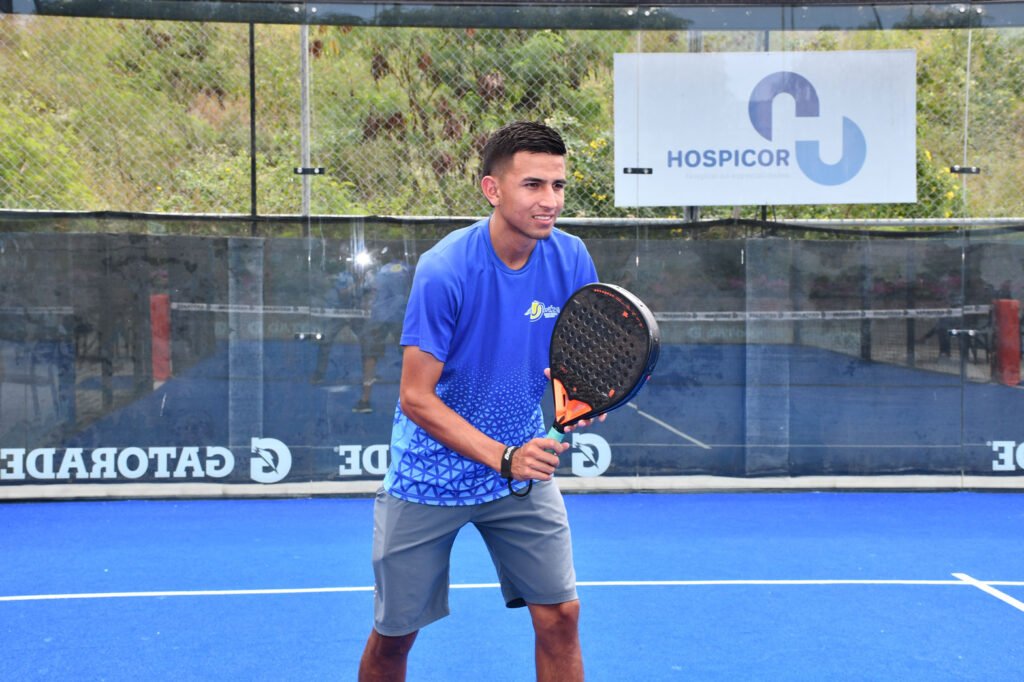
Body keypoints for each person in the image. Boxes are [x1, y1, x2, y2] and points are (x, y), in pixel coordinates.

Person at [357, 121, 598, 682]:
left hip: (520, 475)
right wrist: (503, 456)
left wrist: (584, 393)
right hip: (429, 477)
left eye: (558, 186)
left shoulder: (572, 258)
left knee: (561, 616)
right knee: (395, 638)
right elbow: (415, 398)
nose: (550, 201)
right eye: (533, 185)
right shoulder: (446, 270)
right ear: (492, 190)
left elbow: (576, 361)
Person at [352, 252, 412, 413]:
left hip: (385, 317)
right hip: (398, 316)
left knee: (370, 357)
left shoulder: (376, 272)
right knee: (410, 357)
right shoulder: (406, 269)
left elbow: (365, 292)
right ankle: (416, 402)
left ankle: (365, 400)